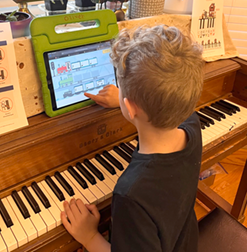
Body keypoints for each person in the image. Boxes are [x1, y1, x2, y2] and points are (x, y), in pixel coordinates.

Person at [60, 24, 204, 252]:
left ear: (129, 107)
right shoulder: (192, 125)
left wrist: (89, 237)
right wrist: (126, 98)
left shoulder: (131, 194)